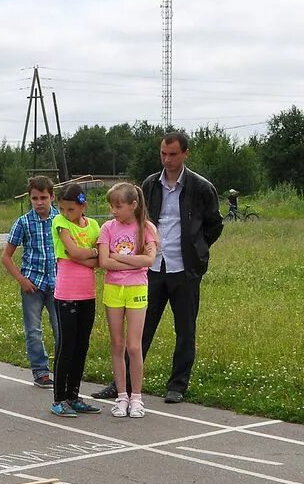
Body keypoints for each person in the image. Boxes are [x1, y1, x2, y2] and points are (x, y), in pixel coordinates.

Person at [93, 132, 223, 403]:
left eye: (173, 154)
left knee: (185, 328)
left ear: (185, 153)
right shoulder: (150, 185)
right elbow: (139, 220)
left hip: (185, 269)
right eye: (163, 154)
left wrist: (196, 247)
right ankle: (123, 383)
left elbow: (214, 224)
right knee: (142, 329)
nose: (167, 159)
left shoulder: (201, 187)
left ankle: (177, 385)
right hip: (150, 269)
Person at [97, 183, 158, 418]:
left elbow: (149, 260)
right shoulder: (107, 228)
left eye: (118, 206)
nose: (114, 211)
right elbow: (104, 263)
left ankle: (137, 397)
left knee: (134, 346)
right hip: (113, 289)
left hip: (136, 289)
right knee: (117, 343)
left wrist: (118, 257)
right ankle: (121, 395)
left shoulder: (146, 228)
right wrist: (134, 259)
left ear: (133, 205)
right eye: (111, 206)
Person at [1, 176, 60, 387]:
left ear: (52, 197)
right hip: (32, 284)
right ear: (30, 199)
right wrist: (21, 279)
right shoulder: (23, 222)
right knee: (33, 330)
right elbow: (6, 257)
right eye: (35, 198)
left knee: (60, 328)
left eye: (44, 197)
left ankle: (62, 368)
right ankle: (40, 371)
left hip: (58, 284)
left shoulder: (61, 220)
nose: (39, 202)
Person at [49, 184, 102, 417]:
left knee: (82, 346)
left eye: (71, 209)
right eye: (61, 208)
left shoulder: (93, 226)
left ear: (83, 207)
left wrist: (88, 255)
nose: (65, 212)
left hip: (87, 293)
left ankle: (74, 394)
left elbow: (99, 261)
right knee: (66, 346)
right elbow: (72, 252)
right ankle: (59, 398)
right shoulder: (60, 223)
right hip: (67, 293)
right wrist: (90, 253)